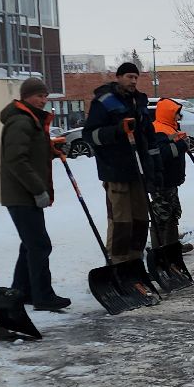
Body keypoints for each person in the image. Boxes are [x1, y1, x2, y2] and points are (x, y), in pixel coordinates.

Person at [0, 77, 72, 312]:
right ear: (26, 96)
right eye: (38, 96)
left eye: (45, 96)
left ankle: (22, 291)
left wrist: (50, 151)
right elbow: (16, 160)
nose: (42, 100)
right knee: (39, 244)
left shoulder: (30, 120)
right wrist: (37, 189)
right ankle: (42, 295)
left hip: (25, 194)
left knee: (30, 244)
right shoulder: (21, 121)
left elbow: (29, 155)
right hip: (22, 194)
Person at [81, 61, 152, 263]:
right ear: (118, 77)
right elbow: (90, 135)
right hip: (115, 169)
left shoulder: (139, 101)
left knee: (140, 218)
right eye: (129, 76)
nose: (133, 81)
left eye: (136, 77)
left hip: (138, 170)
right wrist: (117, 131)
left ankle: (136, 260)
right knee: (122, 221)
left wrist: (153, 164)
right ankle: (118, 262)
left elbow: (148, 133)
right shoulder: (103, 102)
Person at [147, 97, 194, 257]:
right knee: (162, 215)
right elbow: (161, 154)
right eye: (176, 114)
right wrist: (181, 145)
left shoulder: (169, 128)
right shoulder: (157, 129)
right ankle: (161, 250)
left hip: (170, 181)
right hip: (161, 181)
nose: (178, 117)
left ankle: (172, 244)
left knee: (173, 212)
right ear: (168, 114)